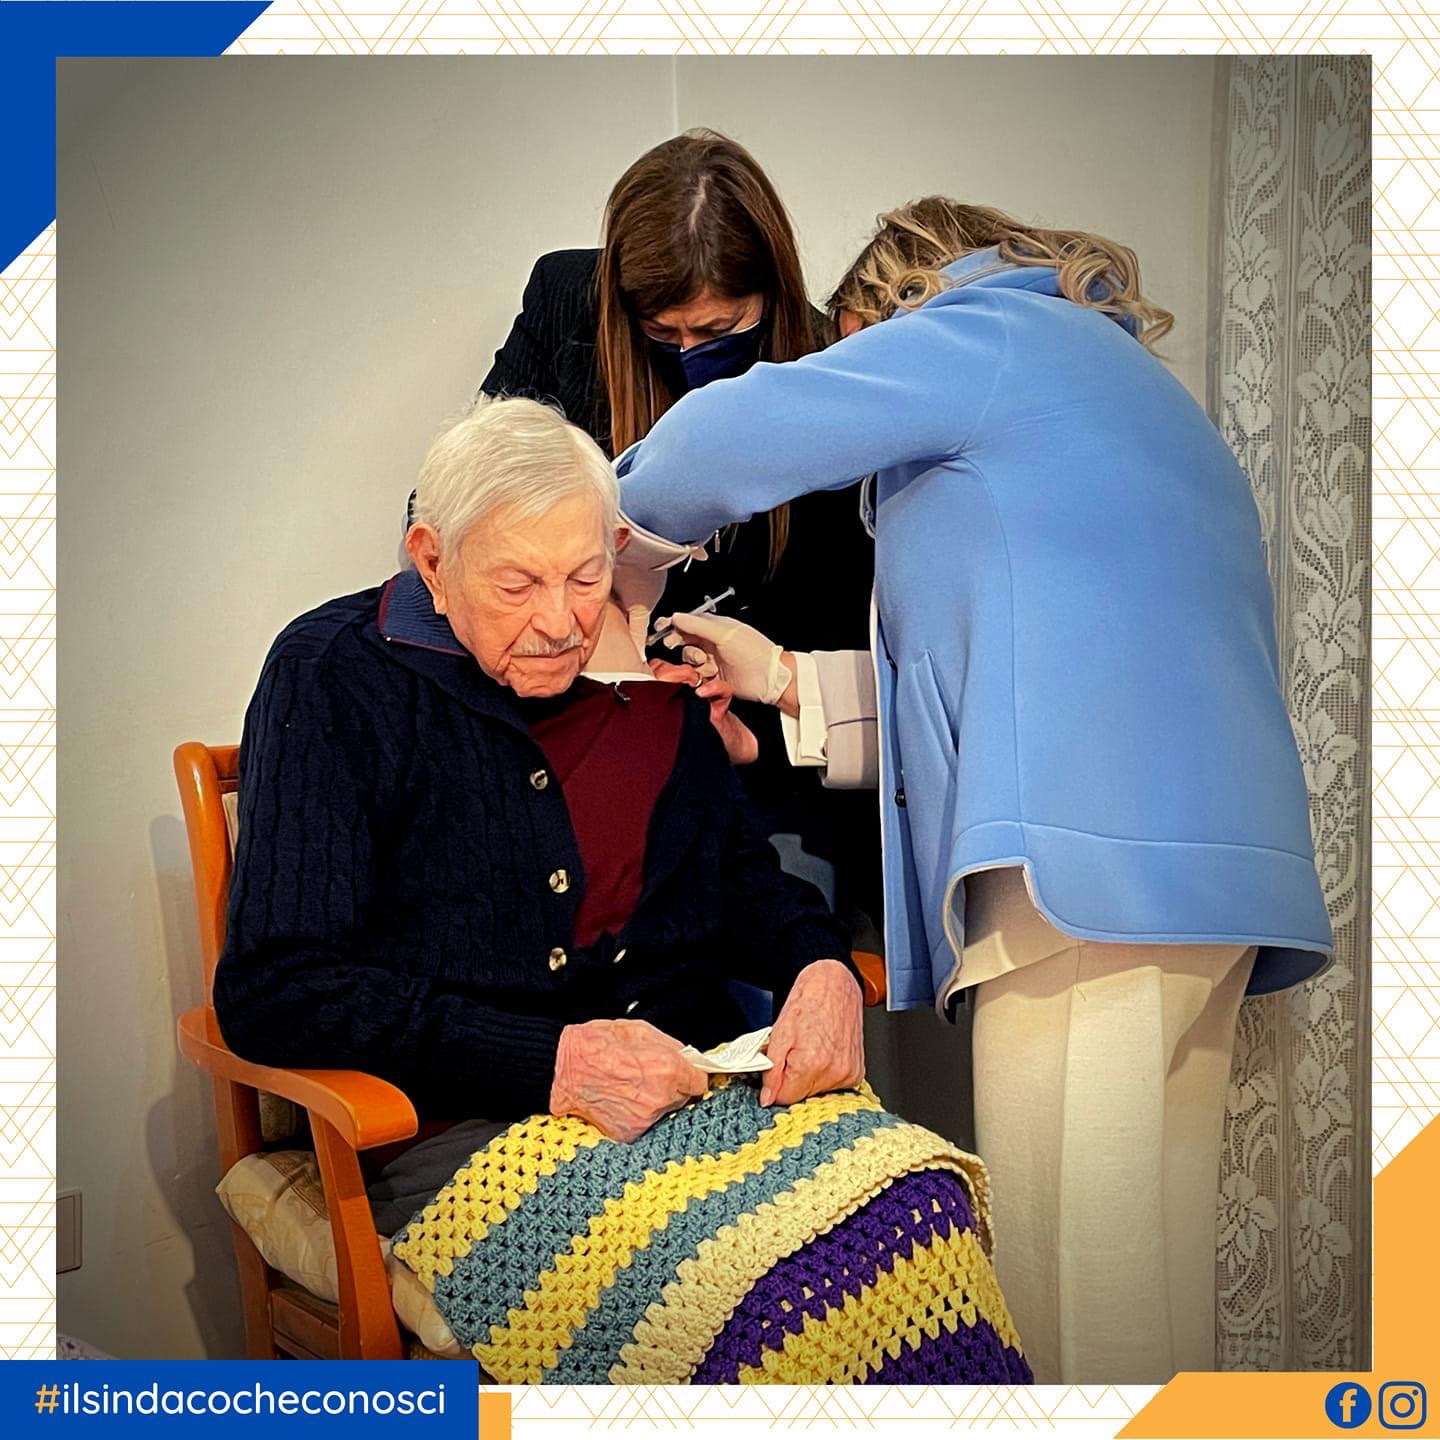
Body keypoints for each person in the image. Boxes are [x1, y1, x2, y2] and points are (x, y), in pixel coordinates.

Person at [612, 198, 1335, 1385]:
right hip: (1207, 893)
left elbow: (722, 439)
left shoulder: (981, 331)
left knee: (1067, 1313)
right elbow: (1006, 677)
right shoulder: (1126, 388)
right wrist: (782, 677)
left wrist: (616, 548)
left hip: (1085, 884)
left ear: (883, 313)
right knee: (1151, 1307)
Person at [215, 396, 1029, 1385]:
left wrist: (818, 965)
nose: (561, 623)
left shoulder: (646, 675)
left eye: (585, 576)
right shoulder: (333, 675)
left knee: (922, 1209)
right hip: (464, 1132)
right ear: (432, 560)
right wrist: (550, 1060)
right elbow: (276, 986)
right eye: (518, 584)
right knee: (753, 1301)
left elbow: (740, 881)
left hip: (691, 1099)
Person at [461, 128, 882, 953]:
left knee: (772, 960)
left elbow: (844, 622)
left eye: (719, 328)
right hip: (581, 735)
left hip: (758, 761)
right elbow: (472, 496)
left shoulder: (835, 366)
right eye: (664, 333)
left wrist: (749, 724)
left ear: (773, 293)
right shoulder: (567, 302)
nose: (690, 357)